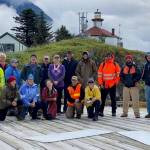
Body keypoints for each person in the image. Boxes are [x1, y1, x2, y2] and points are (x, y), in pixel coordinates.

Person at [98, 53, 121, 117]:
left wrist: (116, 82)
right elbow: (99, 75)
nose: (108, 57)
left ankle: (114, 112)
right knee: (102, 99)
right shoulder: (102, 64)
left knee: (113, 99)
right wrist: (100, 84)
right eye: (107, 56)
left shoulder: (115, 64)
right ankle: (101, 111)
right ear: (105, 57)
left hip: (112, 84)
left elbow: (118, 74)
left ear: (112, 57)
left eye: (110, 56)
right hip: (104, 84)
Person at [142, 52, 150, 118]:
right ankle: (149, 113)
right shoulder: (145, 65)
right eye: (147, 56)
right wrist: (144, 80)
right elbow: (143, 74)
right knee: (147, 99)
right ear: (146, 58)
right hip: (147, 85)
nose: (149, 57)